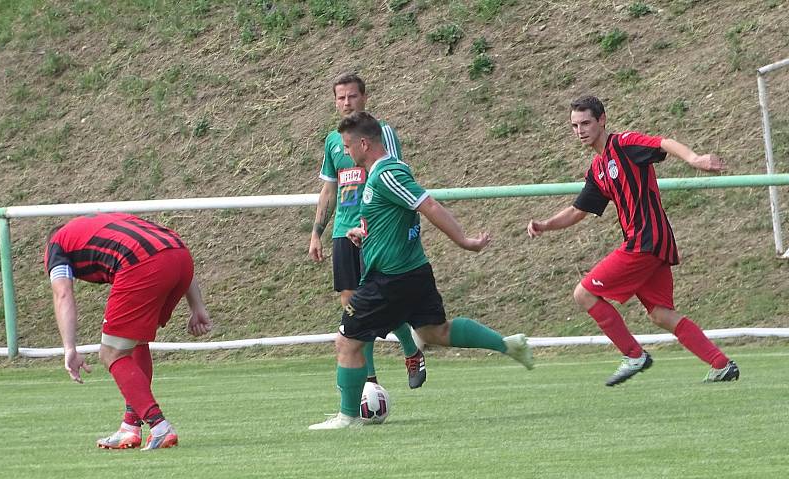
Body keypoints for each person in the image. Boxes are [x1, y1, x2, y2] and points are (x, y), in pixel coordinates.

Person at [309, 111, 533, 430]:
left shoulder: (387, 173)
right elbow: (397, 218)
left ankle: (348, 418)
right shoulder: (380, 174)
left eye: (347, 146)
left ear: (363, 143)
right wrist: (364, 233)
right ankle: (508, 345)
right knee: (435, 332)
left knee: (347, 341)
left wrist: (465, 241)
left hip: (390, 278)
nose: (345, 153)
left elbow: (428, 206)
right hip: (412, 272)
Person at [527, 95, 739, 386]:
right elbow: (578, 211)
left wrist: (694, 158)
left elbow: (663, 142)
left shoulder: (624, 145)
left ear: (602, 120)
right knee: (661, 314)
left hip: (644, 241)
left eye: (586, 123)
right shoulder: (598, 169)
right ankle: (721, 364)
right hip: (653, 242)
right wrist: (546, 225)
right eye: (575, 126)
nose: (580, 131)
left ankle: (634, 355)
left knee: (584, 294)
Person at [45, 212, 212, 449]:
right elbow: (164, 246)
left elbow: (62, 293)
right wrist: (197, 306)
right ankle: (130, 427)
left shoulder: (57, 244)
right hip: (181, 257)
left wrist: (69, 348)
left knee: (111, 353)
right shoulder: (103, 223)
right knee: (135, 342)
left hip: (144, 264)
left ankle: (159, 426)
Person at [308, 73, 427, 389]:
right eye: (340, 98)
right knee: (353, 307)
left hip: (374, 230)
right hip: (343, 232)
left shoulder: (382, 133)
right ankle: (370, 382)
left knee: (380, 301)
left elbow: (398, 179)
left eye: (352, 97)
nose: (346, 103)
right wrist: (317, 232)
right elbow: (329, 188)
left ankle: (411, 349)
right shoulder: (334, 140)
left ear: (364, 98)